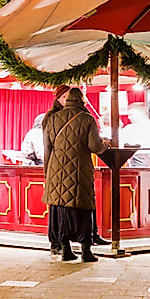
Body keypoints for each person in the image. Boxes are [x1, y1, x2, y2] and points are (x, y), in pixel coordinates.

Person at [43, 86, 109, 263]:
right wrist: (105, 143)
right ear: (82, 100)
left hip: (56, 171)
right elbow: (96, 147)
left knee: (62, 210)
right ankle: (86, 250)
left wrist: (47, 173)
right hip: (80, 170)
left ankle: (66, 250)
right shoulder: (87, 119)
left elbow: (47, 148)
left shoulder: (52, 118)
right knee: (83, 209)